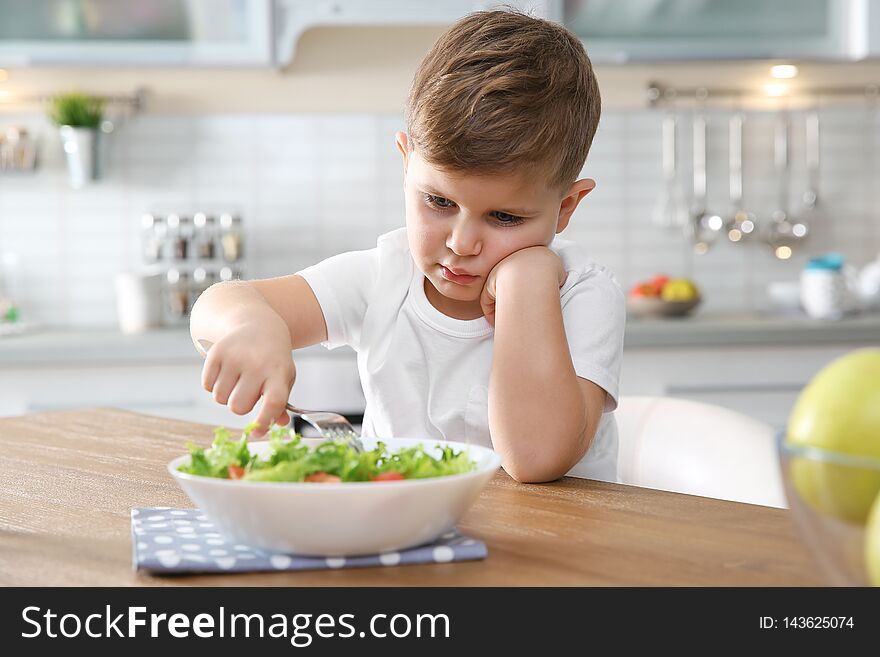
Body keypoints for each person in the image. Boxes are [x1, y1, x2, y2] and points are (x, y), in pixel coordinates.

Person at [189, 9, 624, 484]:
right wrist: (254, 326)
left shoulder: (582, 295)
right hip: (410, 539)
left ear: (565, 208)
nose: (461, 243)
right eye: (438, 200)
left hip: (561, 552)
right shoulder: (385, 278)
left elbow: (537, 459)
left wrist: (527, 282)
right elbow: (215, 306)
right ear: (406, 165)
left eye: (505, 217)